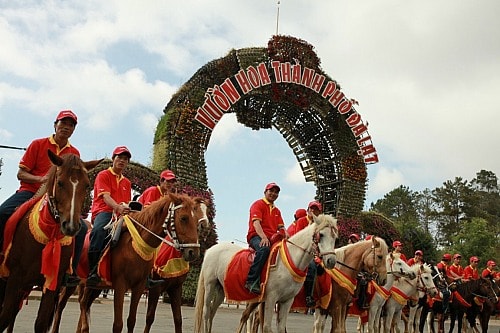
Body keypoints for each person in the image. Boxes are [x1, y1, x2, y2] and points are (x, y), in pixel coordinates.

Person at [0, 110, 86, 286]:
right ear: (55, 125)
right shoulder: (38, 144)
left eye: (70, 125)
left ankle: (70, 271)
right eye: (63, 123)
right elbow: (21, 173)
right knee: (3, 212)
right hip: (31, 192)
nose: (66, 127)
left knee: (82, 228)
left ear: (73, 130)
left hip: (58, 197)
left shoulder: (74, 153)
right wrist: (42, 179)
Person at [86, 146, 132, 286]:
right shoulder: (103, 175)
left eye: (125, 159)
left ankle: (142, 274)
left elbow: (127, 202)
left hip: (121, 215)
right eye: (119, 157)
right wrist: (118, 207)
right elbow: (105, 197)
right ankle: (92, 271)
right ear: (113, 159)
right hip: (104, 211)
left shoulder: (127, 182)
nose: (122, 161)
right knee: (99, 231)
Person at [245, 182, 285, 295]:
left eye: (276, 192)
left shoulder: (277, 211)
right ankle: (251, 280)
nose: (273, 193)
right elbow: (256, 223)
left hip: (272, 238)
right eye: (271, 191)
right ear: (265, 192)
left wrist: (286, 235)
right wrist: (263, 237)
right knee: (264, 249)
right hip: (256, 236)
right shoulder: (258, 204)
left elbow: (281, 227)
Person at [290, 200, 323, 307]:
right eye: (311, 208)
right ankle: (308, 296)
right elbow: (298, 239)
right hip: (300, 252)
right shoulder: (301, 221)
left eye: (316, 209)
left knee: (323, 269)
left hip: (313, 253)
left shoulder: (319, 225)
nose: (312, 211)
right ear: (308, 210)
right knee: (312, 266)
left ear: (319, 213)